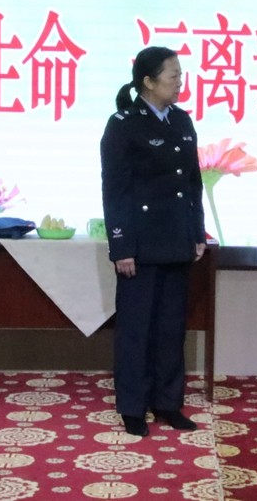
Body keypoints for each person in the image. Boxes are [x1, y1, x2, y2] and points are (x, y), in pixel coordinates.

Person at [100, 46, 207, 437]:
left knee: (170, 329)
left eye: (180, 74)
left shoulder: (181, 120)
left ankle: (168, 403)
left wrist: (197, 233)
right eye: (173, 75)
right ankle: (132, 407)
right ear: (148, 81)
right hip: (140, 247)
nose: (180, 82)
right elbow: (115, 191)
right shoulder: (123, 124)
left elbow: (192, 184)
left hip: (177, 240)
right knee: (136, 330)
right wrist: (122, 247)